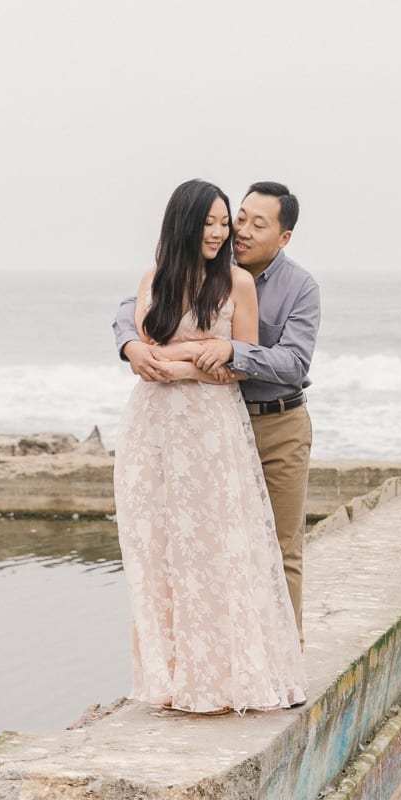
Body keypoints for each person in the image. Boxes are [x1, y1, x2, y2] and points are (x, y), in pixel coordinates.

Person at [112, 179, 305, 713]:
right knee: (165, 550)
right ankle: (175, 677)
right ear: (184, 223)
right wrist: (147, 352)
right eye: (215, 222)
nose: (225, 232)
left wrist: (172, 363)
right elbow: (140, 345)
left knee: (222, 549)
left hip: (213, 433)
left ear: (282, 235)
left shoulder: (239, 283)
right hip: (154, 432)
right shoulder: (155, 277)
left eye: (231, 223)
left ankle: (235, 676)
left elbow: (237, 367)